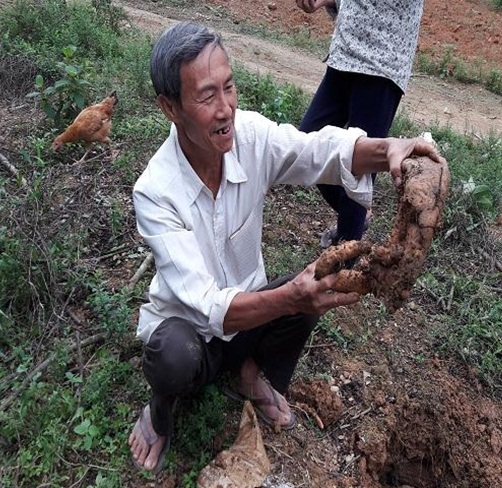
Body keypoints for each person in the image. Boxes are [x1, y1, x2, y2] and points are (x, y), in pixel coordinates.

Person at [127, 21, 444, 474]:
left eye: (229, 87)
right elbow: (205, 306)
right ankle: (160, 415)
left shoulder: (249, 137)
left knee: (314, 287)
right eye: (206, 96)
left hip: (248, 322)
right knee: (174, 356)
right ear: (169, 107)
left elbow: (320, 150)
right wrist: (288, 297)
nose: (225, 109)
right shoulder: (156, 191)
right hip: (193, 331)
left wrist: (390, 149)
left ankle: (248, 373)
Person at [296, 0, 425, 247]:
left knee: (358, 171)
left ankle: (345, 256)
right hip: (343, 56)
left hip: (381, 66)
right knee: (308, 141)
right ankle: (356, 216)